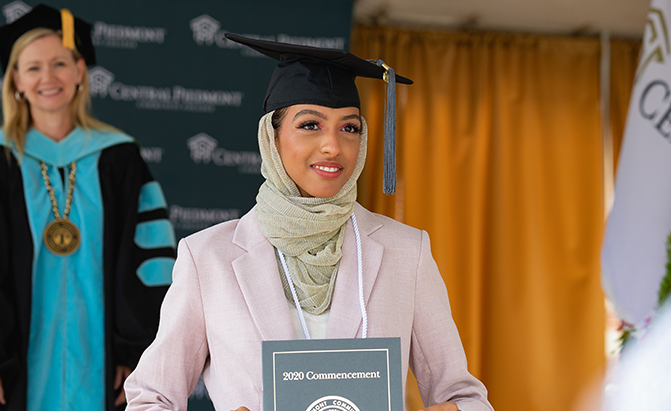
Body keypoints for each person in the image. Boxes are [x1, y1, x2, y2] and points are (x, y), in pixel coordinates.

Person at [124, 34, 492, 411]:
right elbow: (150, 400)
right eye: (310, 125)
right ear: (272, 137)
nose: (333, 146)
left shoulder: (405, 252)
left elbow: (466, 399)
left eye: (349, 128)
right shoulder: (208, 259)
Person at [0, 5, 175, 411]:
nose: (48, 77)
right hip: (14, 372)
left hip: (105, 370)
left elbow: (148, 267)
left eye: (59, 63)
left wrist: (137, 357)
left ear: (79, 72)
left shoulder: (121, 160)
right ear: (16, 80)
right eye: (33, 67)